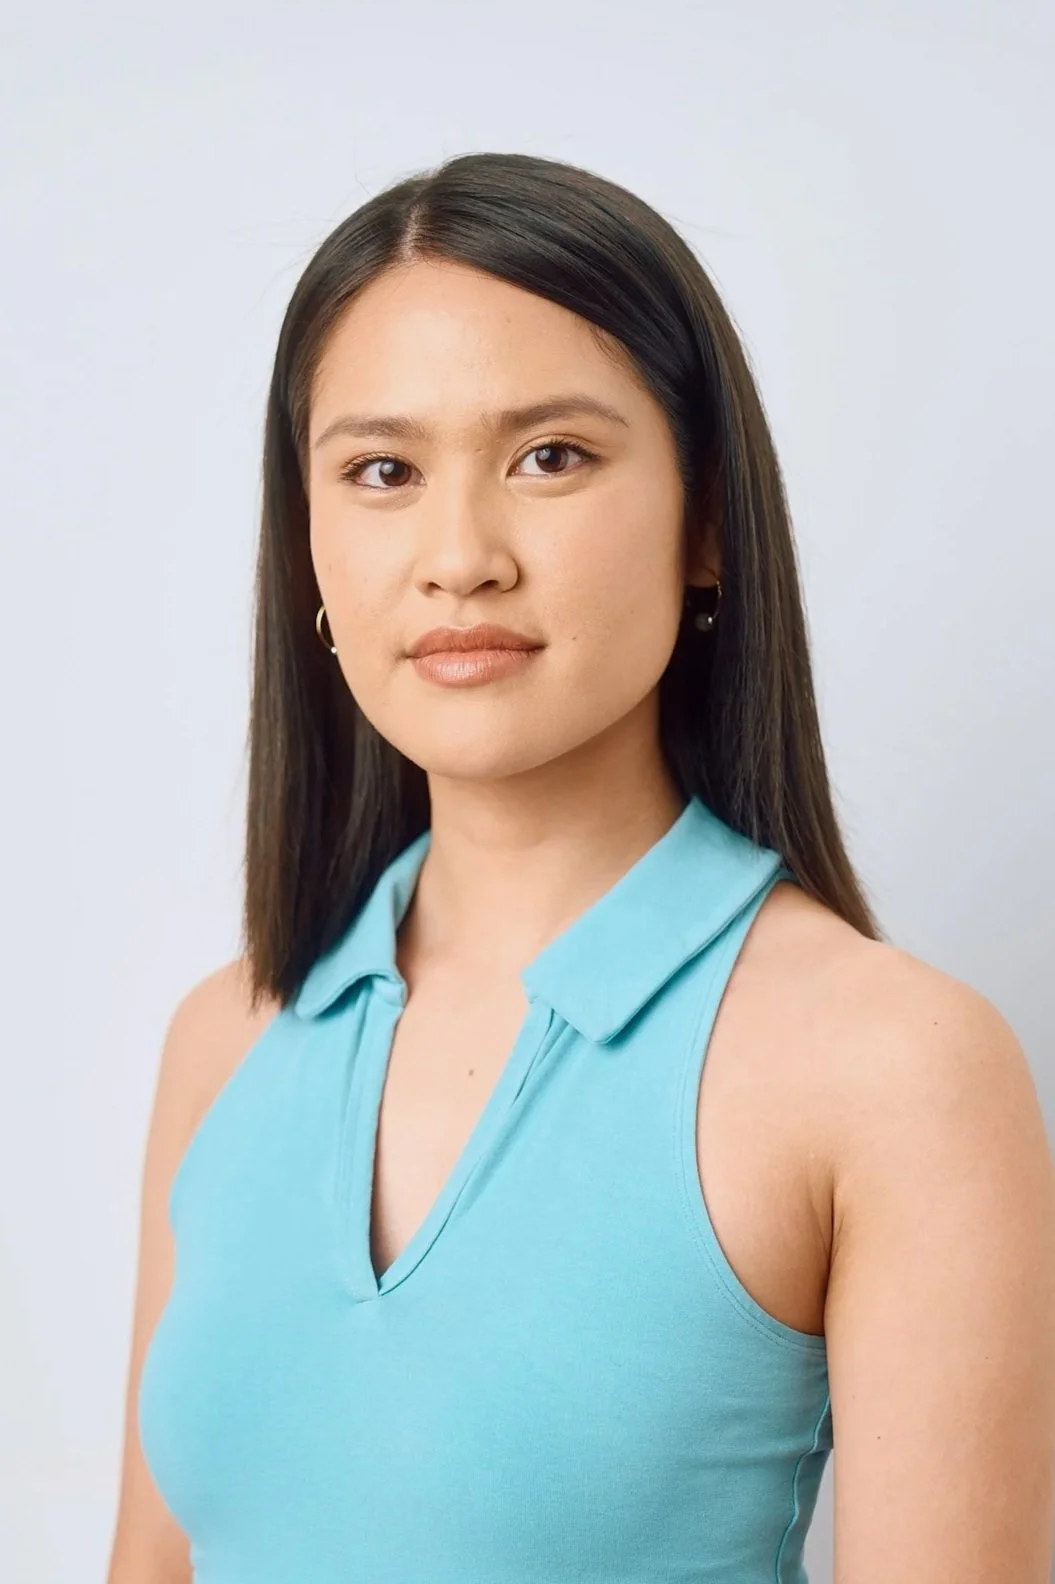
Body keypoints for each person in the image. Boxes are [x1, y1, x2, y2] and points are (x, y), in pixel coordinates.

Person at [107, 151, 1055, 1582]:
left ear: (706, 520)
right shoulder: (226, 1036)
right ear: (305, 545)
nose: (459, 557)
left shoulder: (893, 1066)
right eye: (381, 471)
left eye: (549, 456)